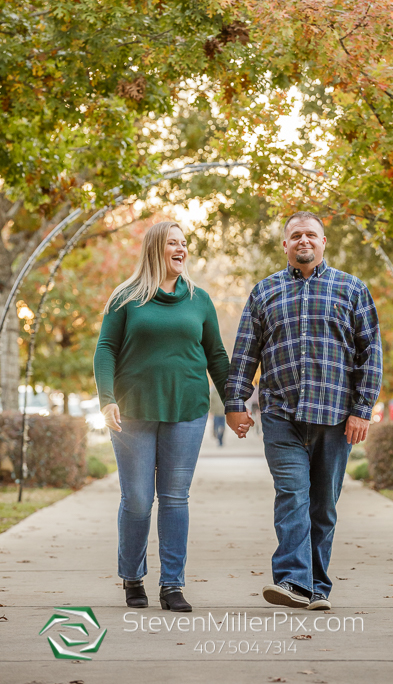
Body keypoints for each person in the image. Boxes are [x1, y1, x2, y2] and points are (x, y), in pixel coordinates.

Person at [225, 211, 383, 611]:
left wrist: (362, 408)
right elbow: (246, 352)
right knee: (292, 495)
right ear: (285, 244)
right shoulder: (265, 292)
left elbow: (371, 354)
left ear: (324, 241)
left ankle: (318, 587)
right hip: (281, 414)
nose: (303, 241)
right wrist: (235, 403)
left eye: (311, 234)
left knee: (323, 506)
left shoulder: (352, 290)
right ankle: (294, 582)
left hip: (335, 417)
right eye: (295, 235)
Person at [93, 221, 230, 613]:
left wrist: (233, 404)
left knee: (174, 499)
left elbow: (216, 356)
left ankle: (172, 584)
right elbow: (106, 349)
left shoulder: (199, 299)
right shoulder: (126, 297)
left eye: (184, 243)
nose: (181, 249)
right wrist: (106, 399)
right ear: (155, 248)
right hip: (133, 410)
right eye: (173, 243)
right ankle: (132, 576)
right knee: (137, 499)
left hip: (186, 410)